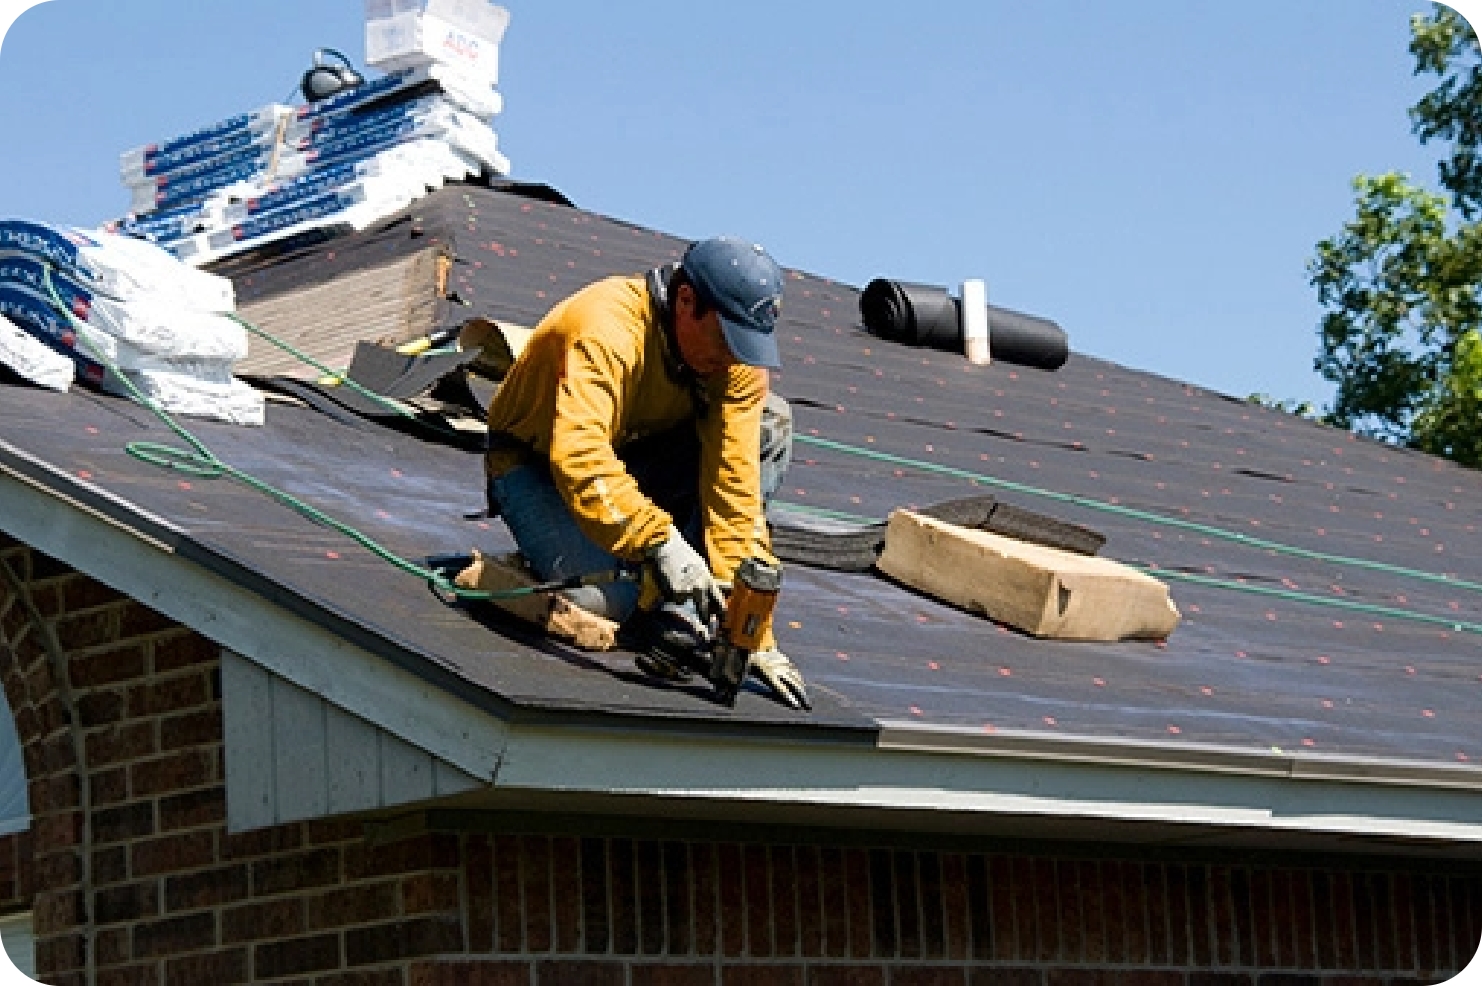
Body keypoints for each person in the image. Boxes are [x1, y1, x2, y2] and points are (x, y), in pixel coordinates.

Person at [483, 236, 808, 710]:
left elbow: (735, 492)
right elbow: (579, 456)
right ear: (685, 301)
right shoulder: (605, 328)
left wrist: (750, 626)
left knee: (769, 422)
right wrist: (660, 543)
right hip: (538, 468)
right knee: (612, 603)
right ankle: (640, 589)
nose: (731, 358)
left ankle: (684, 602)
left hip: (633, 461)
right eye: (724, 340)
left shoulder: (733, 360)